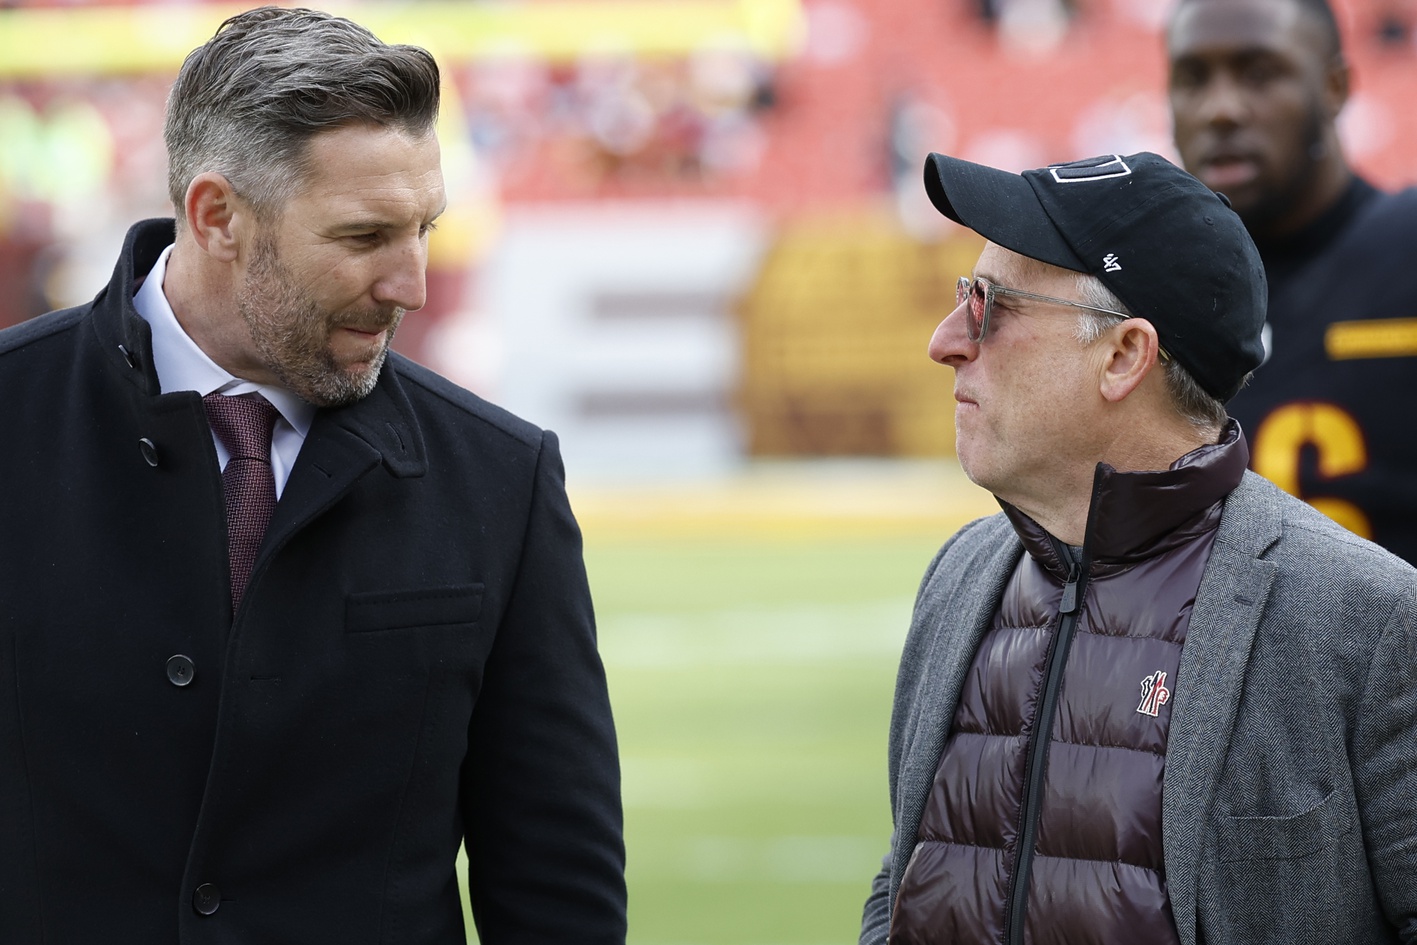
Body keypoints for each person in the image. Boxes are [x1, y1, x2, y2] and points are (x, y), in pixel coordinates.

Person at [0, 8, 625, 944]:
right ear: (216, 216)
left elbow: (557, 889)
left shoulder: (502, 477)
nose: (411, 282)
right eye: (365, 235)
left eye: (424, 229)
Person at [859, 150, 1417, 945]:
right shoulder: (959, 577)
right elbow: (904, 879)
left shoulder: (1365, 619)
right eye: (961, 296)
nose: (946, 340)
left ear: (1124, 356)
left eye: (990, 305)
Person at [1167, 0, 1417, 565]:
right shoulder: (1139, 291)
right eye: (1191, 78)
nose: (1221, 109)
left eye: (1260, 74)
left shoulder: (1404, 252)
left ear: (1334, 87)